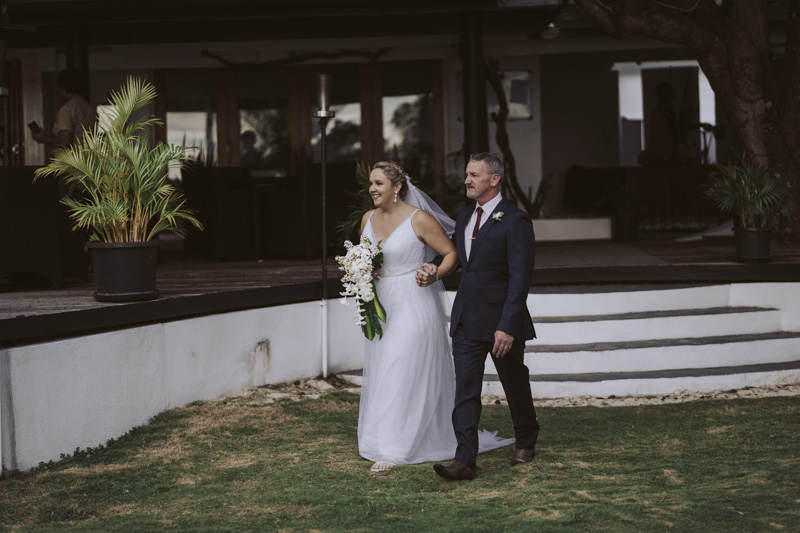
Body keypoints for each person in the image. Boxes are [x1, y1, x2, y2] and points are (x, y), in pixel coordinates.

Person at [357, 161, 514, 473]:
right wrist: (362, 272)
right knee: (384, 367)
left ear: (396, 187)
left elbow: (452, 253)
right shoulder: (367, 218)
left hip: (414, 301)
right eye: (371, 184)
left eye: (378, 184)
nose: (372, 189)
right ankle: (382, 438)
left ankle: (396, 448)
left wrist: (434, 272)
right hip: (381, 304)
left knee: (402, 368)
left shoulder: (419, 219)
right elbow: (366, 258)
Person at [416, 152, 539, 481]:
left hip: (502, 323)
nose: (466, 180)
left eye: (474, 175)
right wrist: (433, 266)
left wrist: (507, 326)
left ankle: (527, 439)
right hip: (466, 320)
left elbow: (519, 279)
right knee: (465, 391)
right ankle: (464, 460)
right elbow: (455, 256)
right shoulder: (465, 214)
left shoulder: (516, 221)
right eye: (467, 174)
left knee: (514, 383)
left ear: (494, 179)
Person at [32, 68, 96, 148]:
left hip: (74, 159)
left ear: (63, 88)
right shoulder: (90, 108)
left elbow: (64, 141)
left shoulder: (67, 109)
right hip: (91, 157)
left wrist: (43, 139)